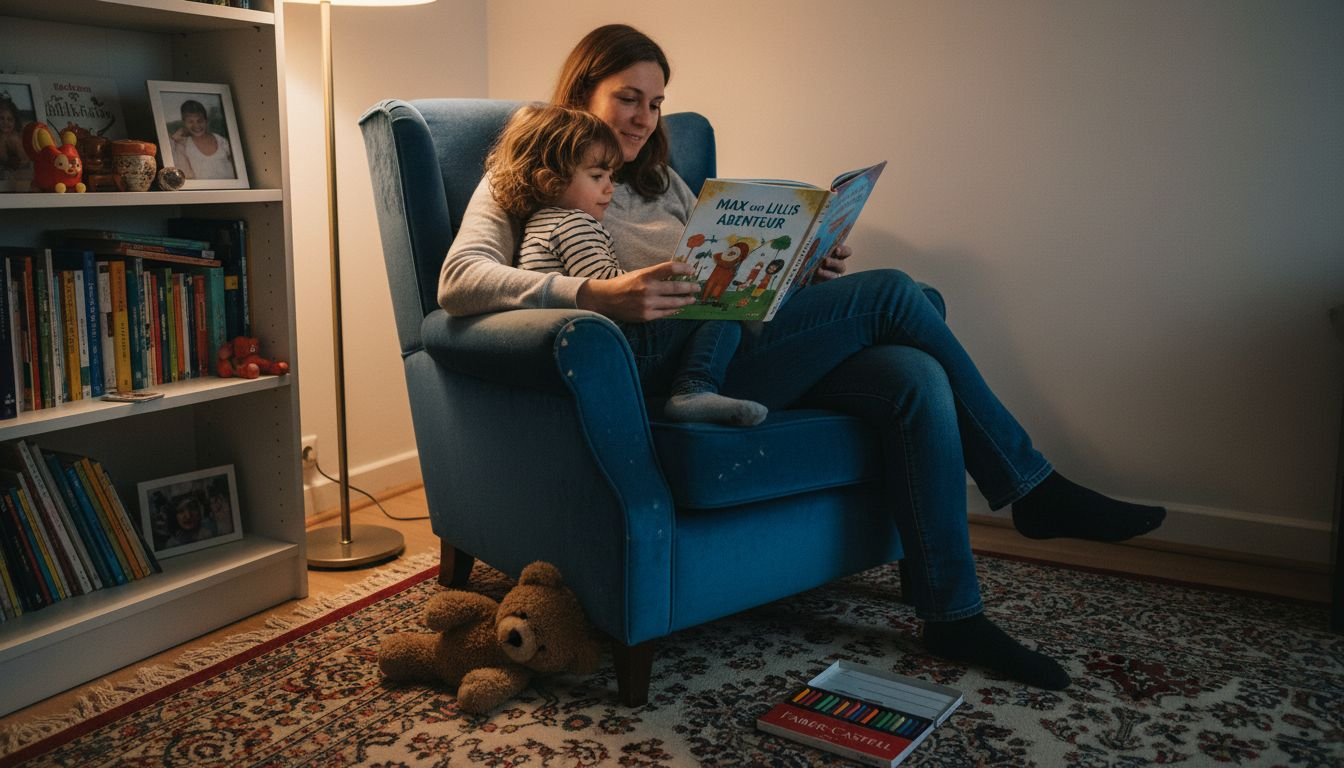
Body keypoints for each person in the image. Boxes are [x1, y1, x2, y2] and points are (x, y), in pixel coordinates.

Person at [437, 24, 1167, 690]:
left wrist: (796, 267)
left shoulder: (663, 179)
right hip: (653, 368)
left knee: (913, 374)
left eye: (656, 103)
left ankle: (954, 614)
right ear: (582, 93)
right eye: (627, 98)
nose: (643, 118)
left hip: (733, 350)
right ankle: (1031, 488)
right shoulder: (536, 169)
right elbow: (458, 282)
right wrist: (593, 293)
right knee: (893, 294)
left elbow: (719, 271)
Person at [486, 102, 766, 426]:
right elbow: (611, 289)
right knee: (720, 306)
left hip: (586, 351)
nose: (610, 187)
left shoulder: (539, 223)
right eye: (597, 176)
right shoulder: (574, 223)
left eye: (610, 175)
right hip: (622, 349)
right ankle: (694, 388)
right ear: (550, 182)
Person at [170, 99, 235, 180]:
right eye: (190, 121)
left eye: (200, 120)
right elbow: (186, 177)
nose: (196, 125)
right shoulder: (182, 146)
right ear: (184, 123)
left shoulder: (222, 142)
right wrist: (173, 139)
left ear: (206, 120)